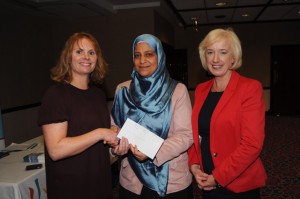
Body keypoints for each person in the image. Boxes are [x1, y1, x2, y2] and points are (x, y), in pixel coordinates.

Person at [111, 34, 194, 199]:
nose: (142, 60)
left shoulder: (177, 90)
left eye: (149, 54)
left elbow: (186, 135)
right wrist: (116, 145)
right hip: (132, 181)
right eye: (137, 55)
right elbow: (115, 129)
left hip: (171, 180)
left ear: (159, 56)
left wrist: (152, 151)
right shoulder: (122, 90)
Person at [188, 28, 267, 199]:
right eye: (210, 52)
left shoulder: (249, 88)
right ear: (205, 57)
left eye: (223, 52)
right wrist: (194, 165)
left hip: (238, 184)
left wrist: (217, 177)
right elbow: (197, 133)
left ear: (233, 57)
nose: (215, 59)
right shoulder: (201, 90)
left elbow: (252, 145)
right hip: (206, 180)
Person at [38, 32, 119, 199]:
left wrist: (112, 132)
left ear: (97, 58)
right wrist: (100, 133)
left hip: (100, 181)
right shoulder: (55, 95)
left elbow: (97, 129)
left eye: (91, 52)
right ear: (68, 57)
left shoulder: (98, 94)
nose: (86, 57)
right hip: (71, 187)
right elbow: (56, 149)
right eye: (79, 51)